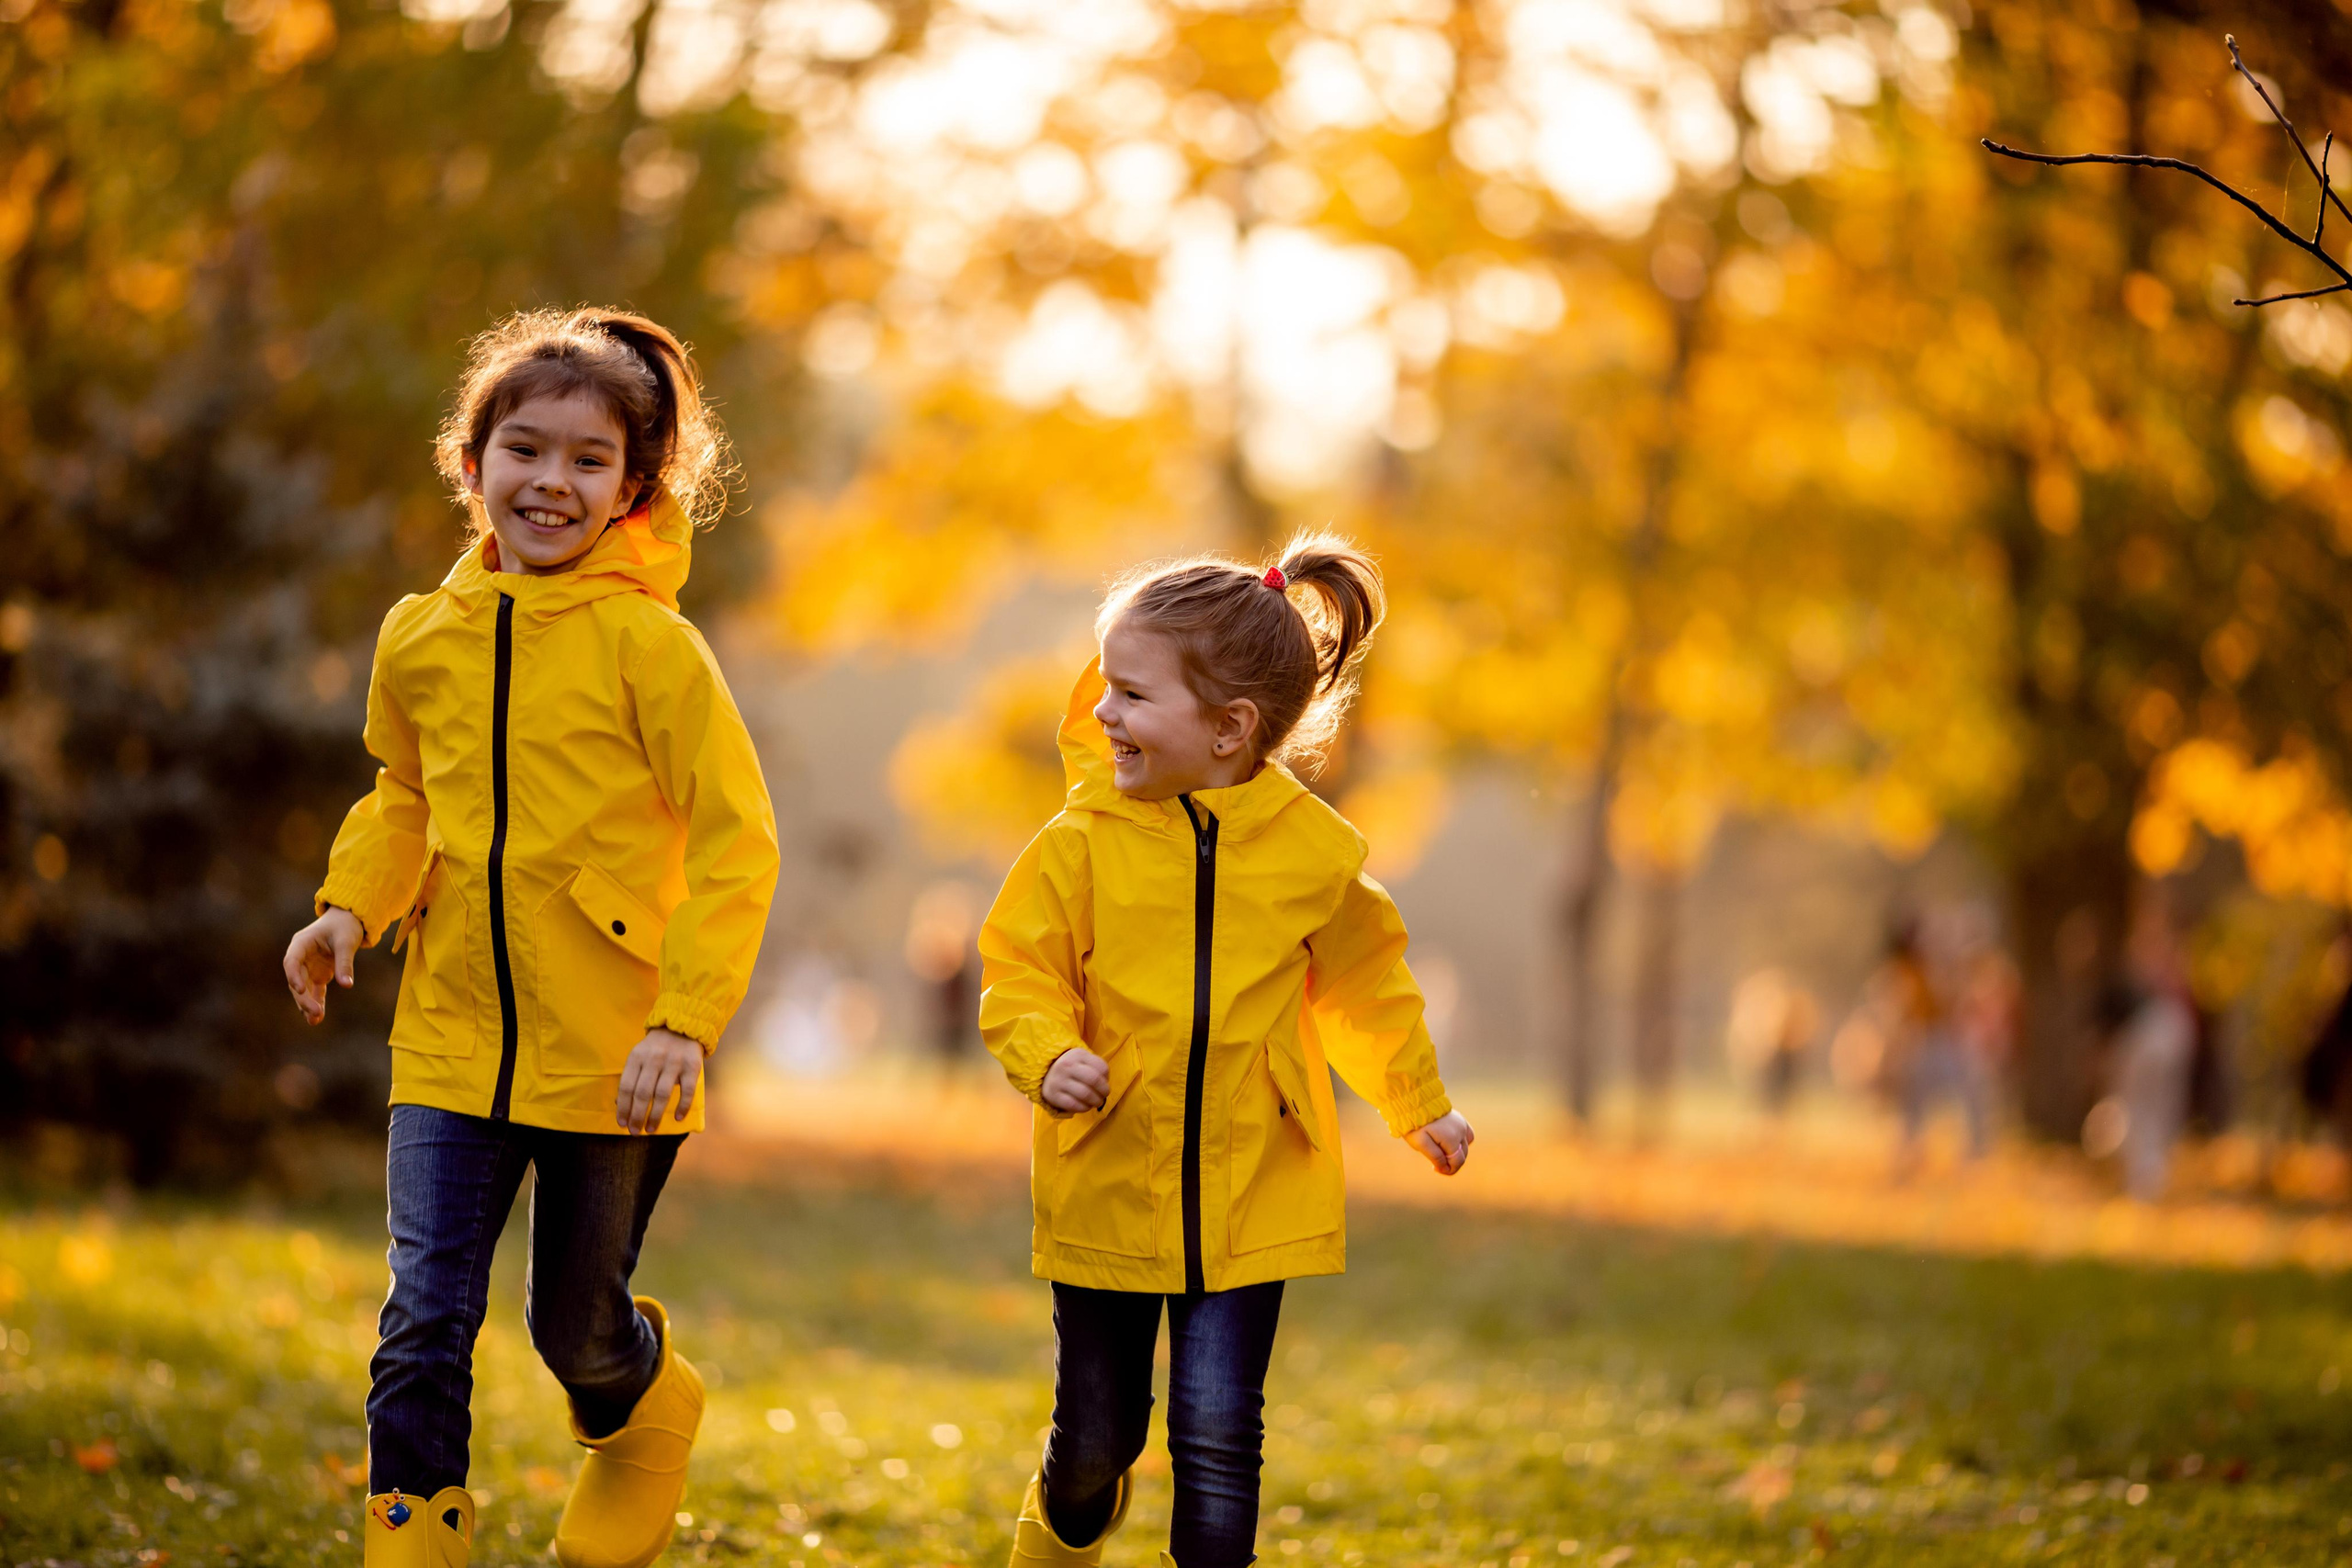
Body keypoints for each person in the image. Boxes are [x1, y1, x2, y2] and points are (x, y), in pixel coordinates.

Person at [280, 310, 779, 1568]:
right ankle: (414, 1542)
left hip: (615, 1053)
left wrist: (683, 1019)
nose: (551, 480)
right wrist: (351, 907)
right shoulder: (419, 634)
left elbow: (737, 839)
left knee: (577, 1331)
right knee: (422, 1317)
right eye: (525, 447)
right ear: (472, 462)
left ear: (632, 491)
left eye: (589, 459)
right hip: (451, 1033)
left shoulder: (652, 648)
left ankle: (645, 1404)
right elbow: (405, 793)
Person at [978, 537, 1476, 1568]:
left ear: (1227, 728)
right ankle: (1063, 1525)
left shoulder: (1312, 854)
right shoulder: (1079, 841)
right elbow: (1017, 971)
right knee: (1095, 1443)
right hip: (1108, 1174)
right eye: (1106, 688)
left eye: (1129, 694)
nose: (1102, 713)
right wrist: (1044, 1051)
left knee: (1217, 1438)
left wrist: (1416, 1101)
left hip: (1255, 1185)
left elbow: (1363, 981)